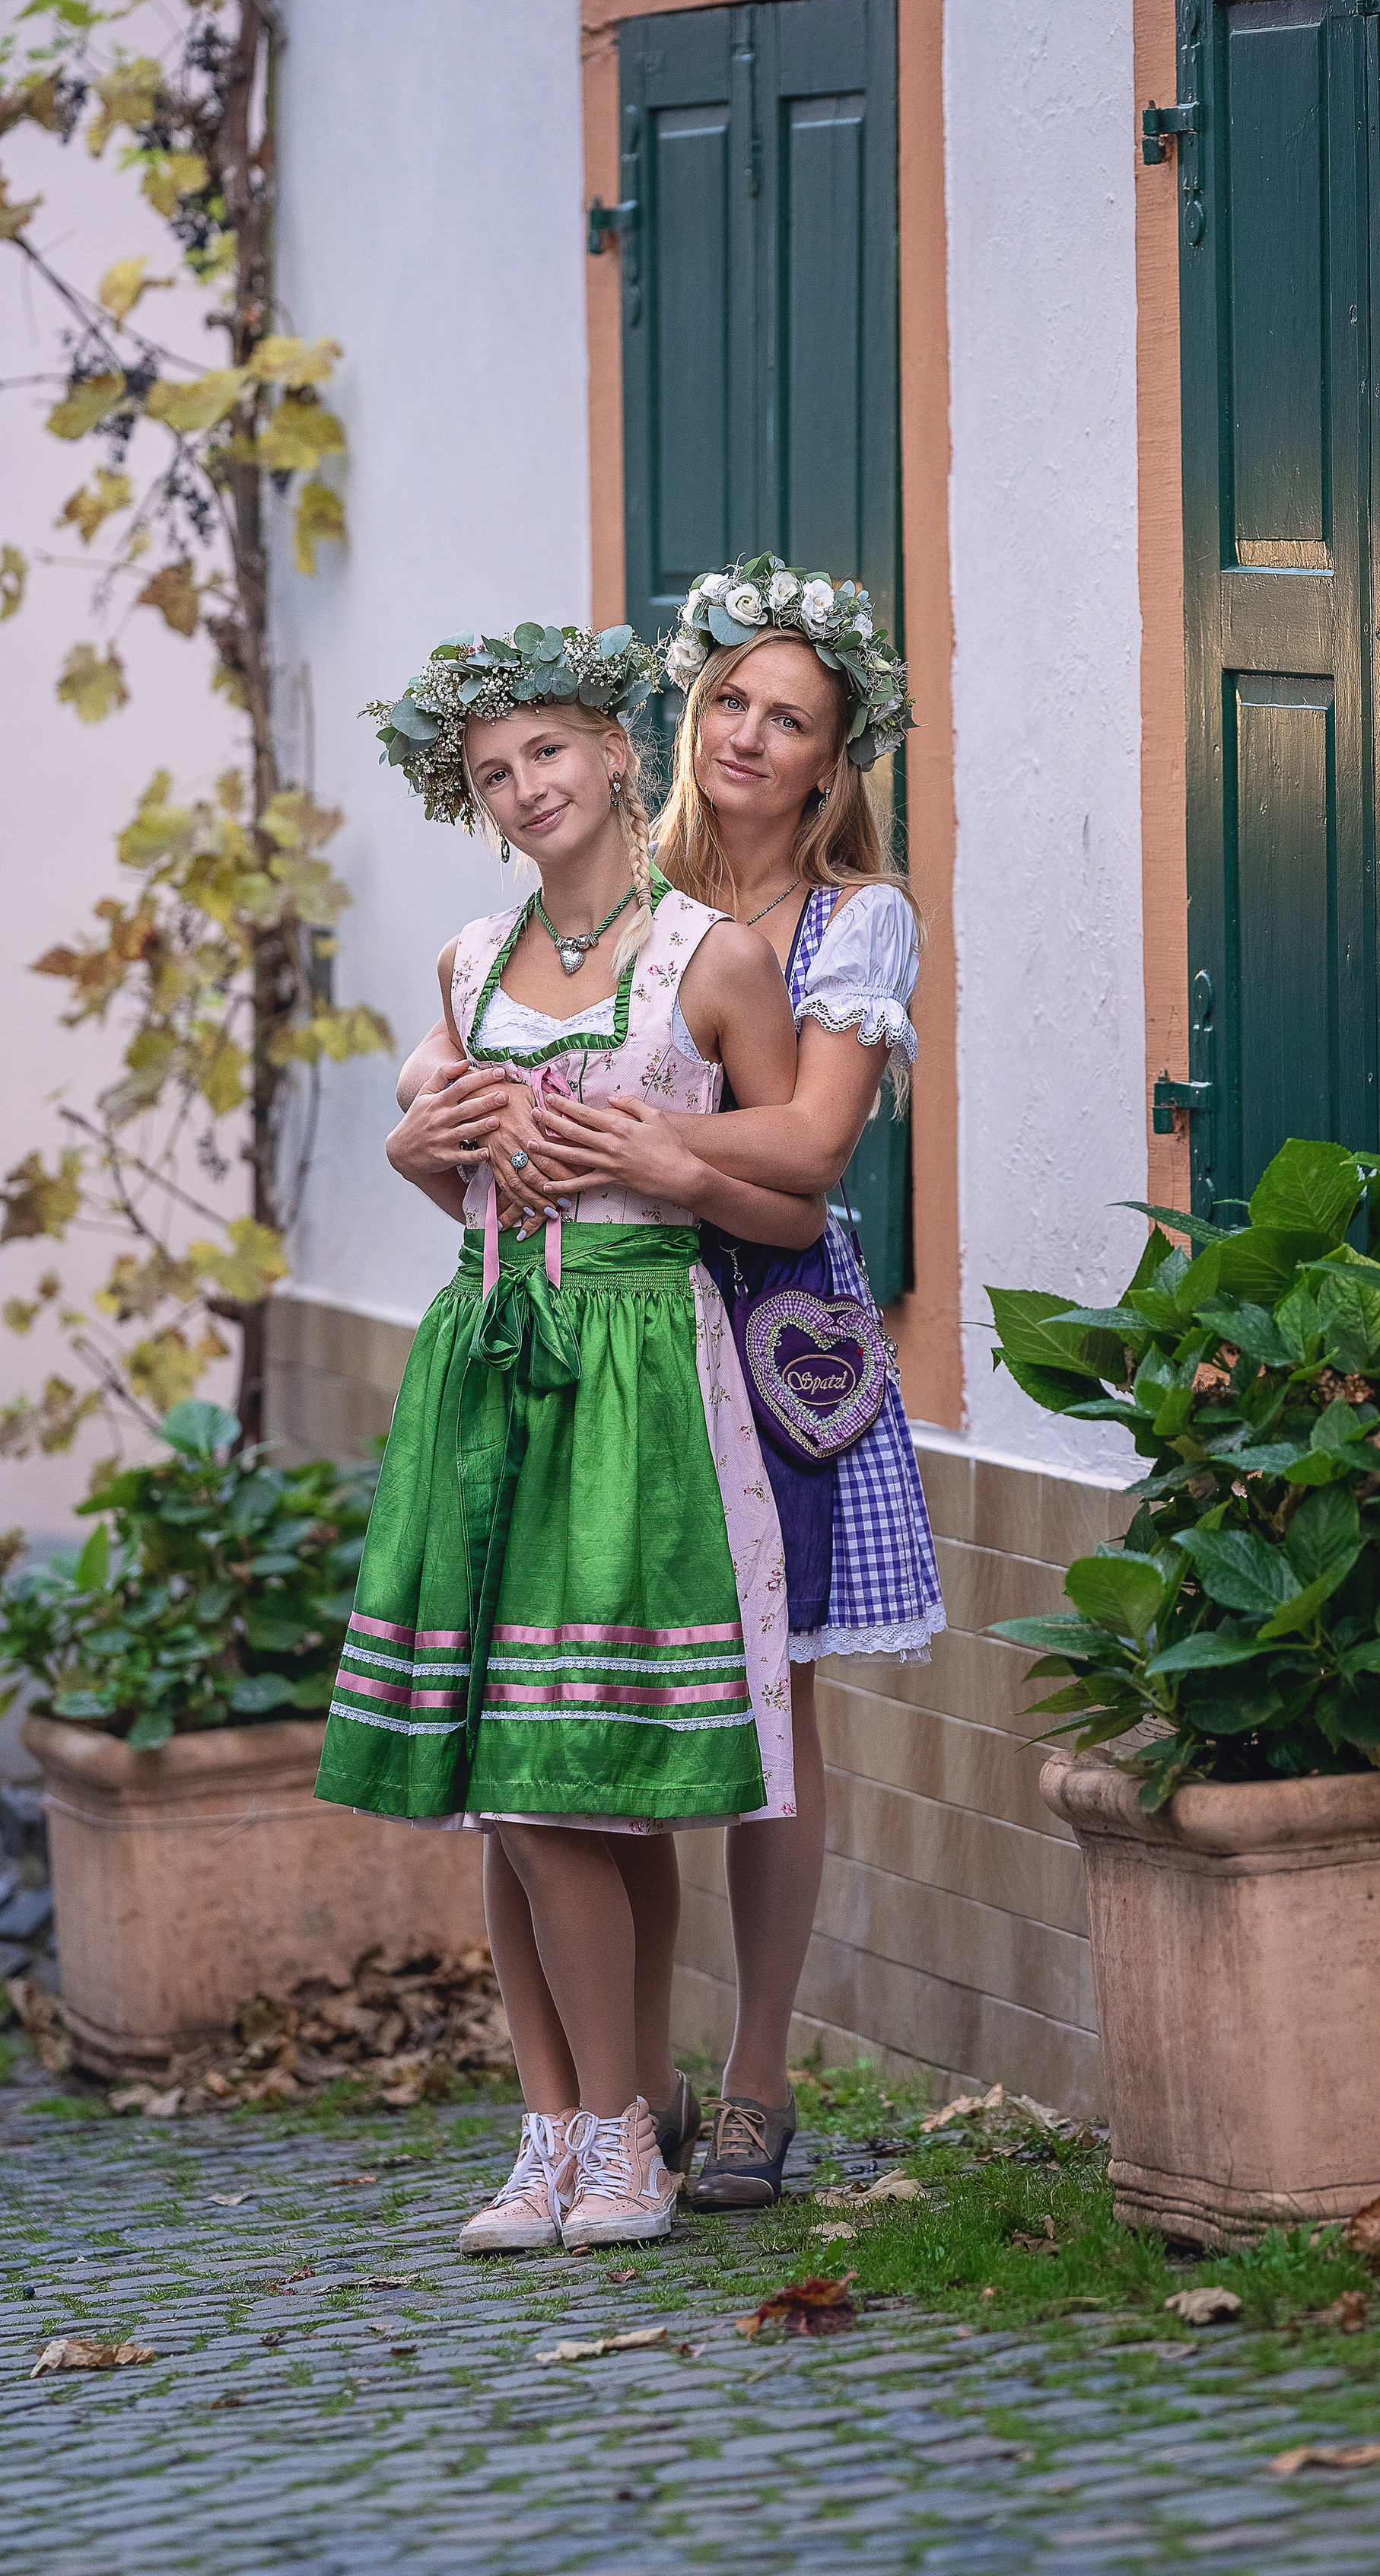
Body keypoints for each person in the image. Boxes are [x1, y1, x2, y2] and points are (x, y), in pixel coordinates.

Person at [396, 559, 943, 2211]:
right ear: (673, 722)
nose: (751, 739)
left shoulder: (853, 920)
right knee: (594, 1697)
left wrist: (650, 1146)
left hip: (764, 1322)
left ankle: (756, 2074)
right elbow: (467, 1056)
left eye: (791, 721)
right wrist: (438, 1111)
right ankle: (609, 2104)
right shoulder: (605, 885)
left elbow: (815, 1146)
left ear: (836, 762)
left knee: (766, 1690)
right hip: (585, 1327)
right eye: (729, 704)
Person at [315, 619, 825, 2256]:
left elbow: (795, 1202)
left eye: (547, 753)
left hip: (638, 1375)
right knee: (500, 1773)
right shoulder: (471, 966)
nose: (525, 787)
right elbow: (440, 1168)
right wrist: (430, 1139)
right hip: (488, 1360)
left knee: (575, 1779)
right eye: (491, 775)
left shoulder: (711, 959)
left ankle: (621, 2140)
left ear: (617, 754)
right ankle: (556, 2135)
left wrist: (664, 1161)